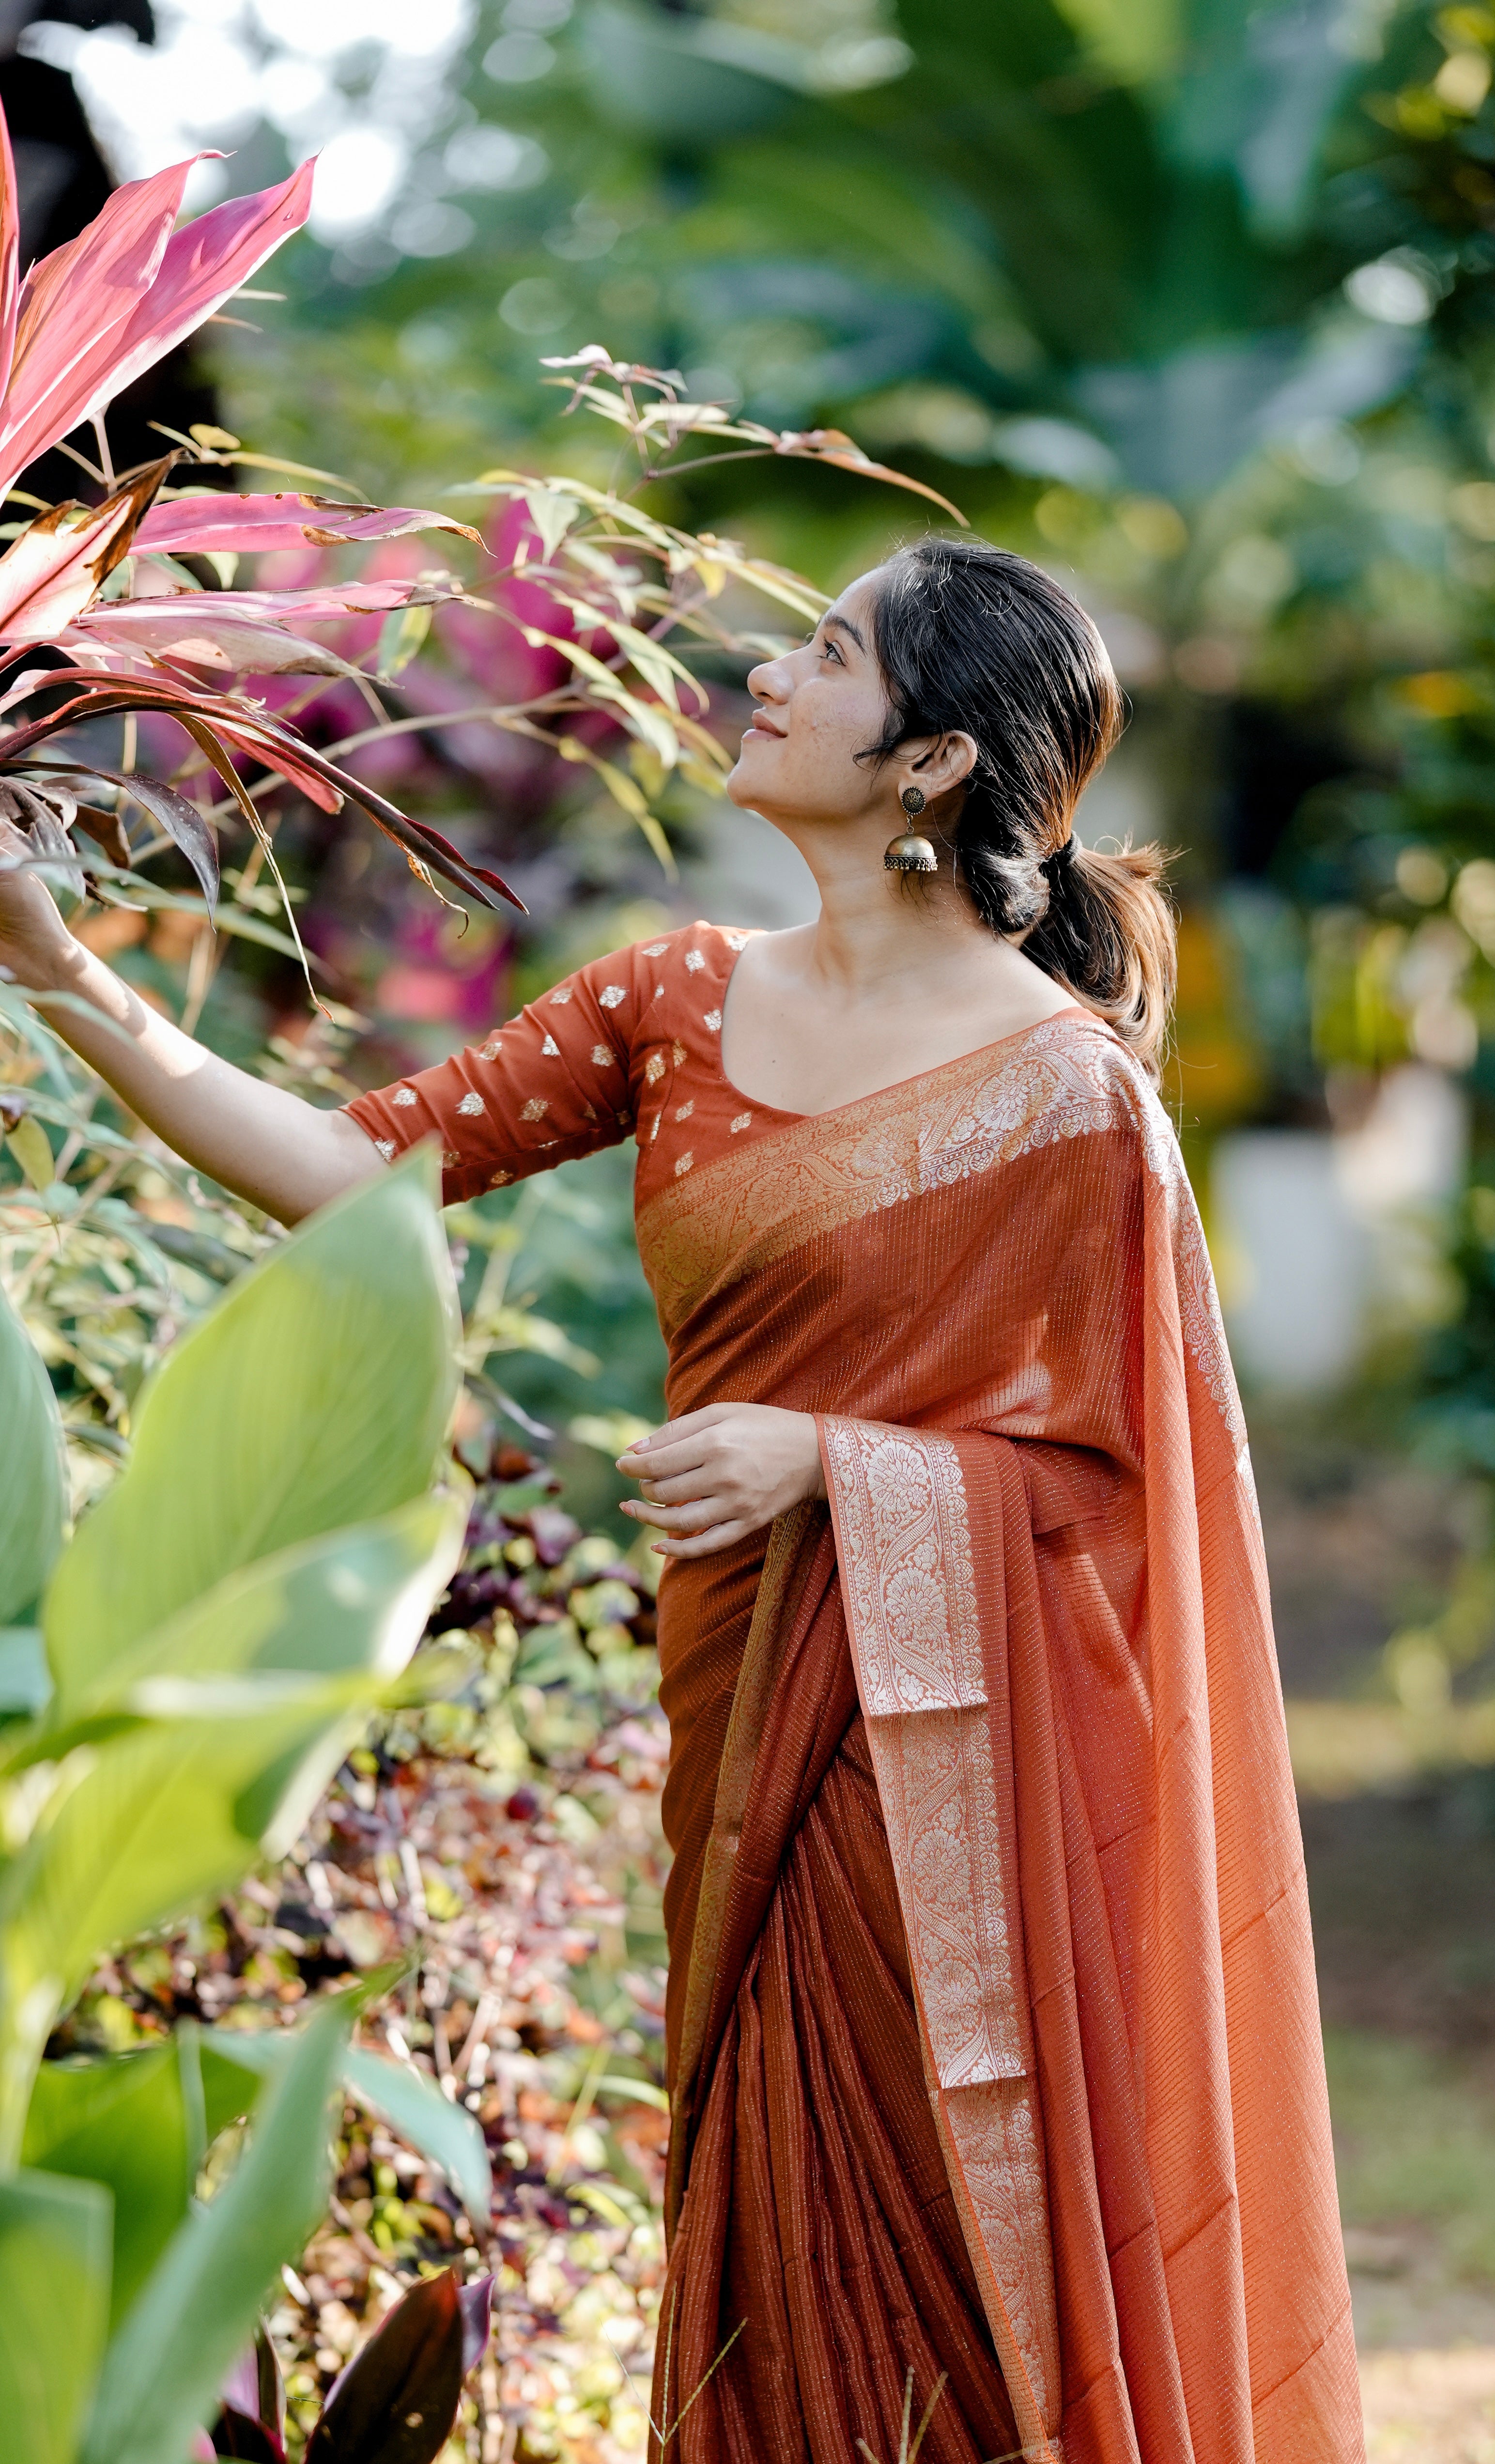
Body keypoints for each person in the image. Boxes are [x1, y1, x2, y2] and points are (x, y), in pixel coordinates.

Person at [0, 537, 1364, 2464]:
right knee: (776, 2228)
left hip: (956, 1795)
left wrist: (840, 1465)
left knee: (952, 2248)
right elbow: (345, 1166)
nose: (764, 674)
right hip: (743, 1730)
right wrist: (60, 973)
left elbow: (1141, 1517)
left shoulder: (1070, 1105)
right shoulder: (672, 1000)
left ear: (929, 766)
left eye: (824, 651)